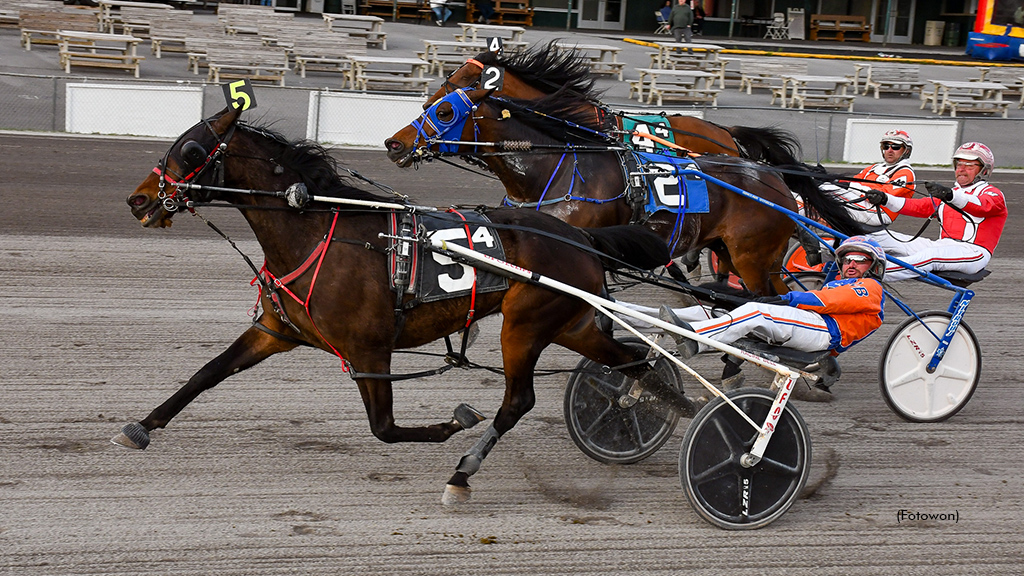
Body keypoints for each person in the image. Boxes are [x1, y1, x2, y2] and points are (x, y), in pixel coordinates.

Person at [660, 236, 887, 390]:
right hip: (815, 326)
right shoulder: (840, 282)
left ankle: (696, 340)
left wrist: (787, 298)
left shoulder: (871, 288)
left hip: (825, 330)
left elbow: (830, 301)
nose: (851, 264)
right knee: (741, 311)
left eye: (860, 260)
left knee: (756, 312)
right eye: (847, 260)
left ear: (874, 266)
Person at [862, 142, 1007, 282]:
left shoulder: (993, 194)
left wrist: (950, 195)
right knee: (880, 237)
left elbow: (981, 206)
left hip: (974, 253)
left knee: (930, 256)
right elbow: (917, 206)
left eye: (969, 165)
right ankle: (845, 261)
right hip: (943, 245)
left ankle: (867, 274)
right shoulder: (952, 194)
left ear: (984, 170)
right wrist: (885, 199)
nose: (962, 169)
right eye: (959, 164)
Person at [822, 129, 917, 231]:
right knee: (823, 186)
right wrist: (828, 177)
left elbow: (884, 196)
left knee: (825, 189)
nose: (889, 150)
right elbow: (853, 181)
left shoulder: (905, 173)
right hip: (865, 206)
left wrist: (848, 186)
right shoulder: (874, 168)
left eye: (895, 147)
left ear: (906, 151)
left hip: (880, 213)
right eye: (886, 146)